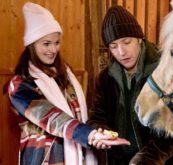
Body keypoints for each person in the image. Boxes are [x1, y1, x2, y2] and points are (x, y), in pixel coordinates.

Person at [7, 2, 129, 165]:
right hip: (45, 159)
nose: (53, 49)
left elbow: (81, 116)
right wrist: (90, 135)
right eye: (46, 43)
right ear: (32, 45)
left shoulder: (66, 75)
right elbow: (53, 118)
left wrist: (96, 133)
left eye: (56, 42)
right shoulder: (20, 85)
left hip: (79, 156)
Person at [87, 5, 173, 165]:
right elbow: (97, 116)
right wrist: (100, 132)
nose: (121, 52)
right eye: (113, 46)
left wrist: (145, 160)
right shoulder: (105, 78)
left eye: (126, 42)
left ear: (139, 38)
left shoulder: (164, 69)